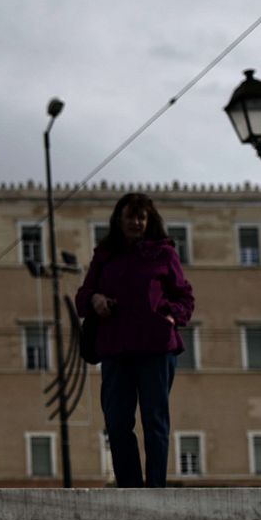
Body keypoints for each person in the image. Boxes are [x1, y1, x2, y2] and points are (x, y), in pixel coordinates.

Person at [75, 192, 195, 488]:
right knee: (117, 423)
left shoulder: (165, 253)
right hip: (116, 349)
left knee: (155, 422)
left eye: (142, 217)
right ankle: (130, 488)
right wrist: (96, 299)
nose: (136, 222)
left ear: (149, 220)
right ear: (119, 219)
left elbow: (185, 297)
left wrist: (171, 316)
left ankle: (155, 489)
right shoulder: (104, 255)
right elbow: (82, 298)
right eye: (131, 216)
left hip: (156, 348)